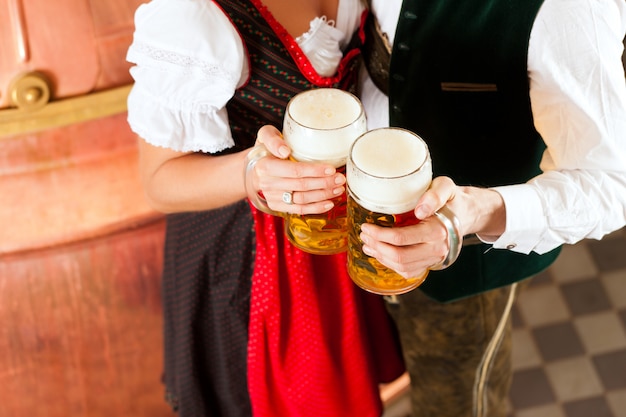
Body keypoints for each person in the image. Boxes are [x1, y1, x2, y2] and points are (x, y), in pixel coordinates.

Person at [257, 0, 626, 415]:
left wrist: (477, 211)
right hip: (353, 225)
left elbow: (610, 181)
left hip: (464, 270)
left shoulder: (571, 10)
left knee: (453, 406)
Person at [124, 1, 405, 416]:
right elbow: (158, 181)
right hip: (248, 254)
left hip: (333, 227)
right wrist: (253, 172)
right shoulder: (191, 16)